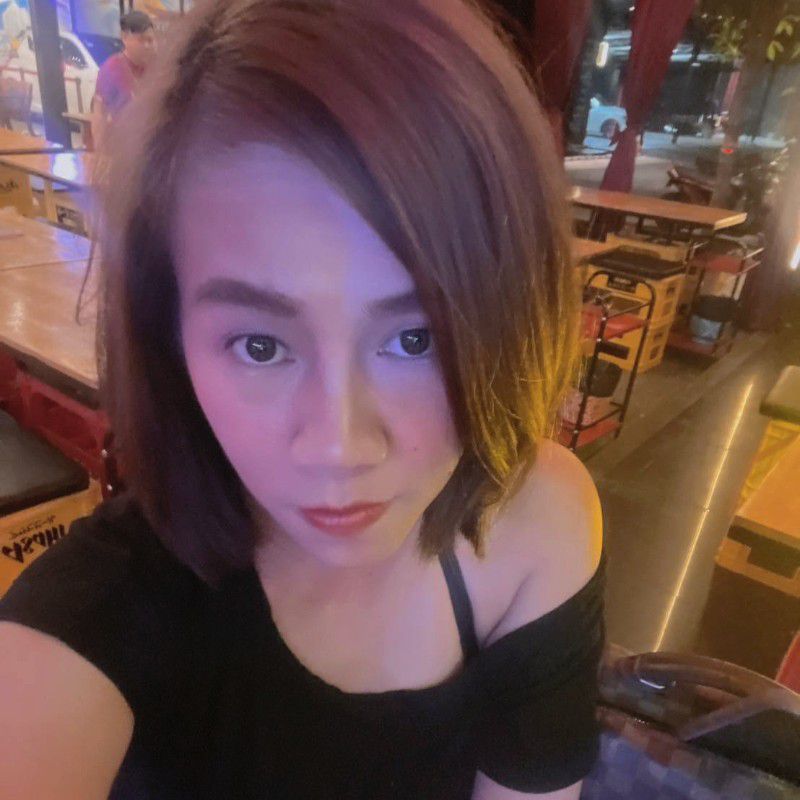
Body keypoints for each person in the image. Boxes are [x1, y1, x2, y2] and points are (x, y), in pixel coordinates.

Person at [0, 0, 605, 798]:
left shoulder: (533, 522)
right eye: (261, 346)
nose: (339, 446)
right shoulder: (87, 629)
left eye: (415, 339)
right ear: (169, 338)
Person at [90, 10, 155, 149]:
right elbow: (99, 114)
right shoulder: (112, 68)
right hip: (122, 149)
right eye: (141, 40)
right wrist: (99, 152)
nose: (147, 46)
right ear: (125, 37)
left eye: (150, 40)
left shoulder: (156, 68)